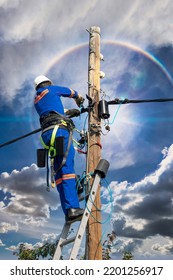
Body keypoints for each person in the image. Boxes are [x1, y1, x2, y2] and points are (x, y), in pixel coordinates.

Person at [34, 75, 85, 220]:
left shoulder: (37, 99)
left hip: (47, 134)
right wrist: (79, 98)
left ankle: (69, 209)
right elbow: (69, 91)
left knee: (59, 172)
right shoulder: (51, 89)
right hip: (59, 131)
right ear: (47, 82)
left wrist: (69, 112)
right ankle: (73, 208)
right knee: (66, 168)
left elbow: (52, 109)